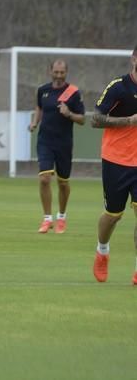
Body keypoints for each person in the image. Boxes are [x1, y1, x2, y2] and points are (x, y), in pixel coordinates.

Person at [90, 44, 137, 285]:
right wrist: (128, 121)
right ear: (134, 59)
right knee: (113, 215)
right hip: (116, 160)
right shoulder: (119, 87)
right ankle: (102, 250)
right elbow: (95, 119)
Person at [28, 59, 85, 234]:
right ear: (50, 71)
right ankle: (47, 219)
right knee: (44, 178)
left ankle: (61, 217)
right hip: (45, 141)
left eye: (62, 72)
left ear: (66, 73)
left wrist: (69, 114)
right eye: (56, 72)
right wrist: (34, 122)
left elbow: (82, 119)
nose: (59, 75)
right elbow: (39, 107)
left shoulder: (73, 93)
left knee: (62, 183)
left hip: (64, 143)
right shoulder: (42, 90)